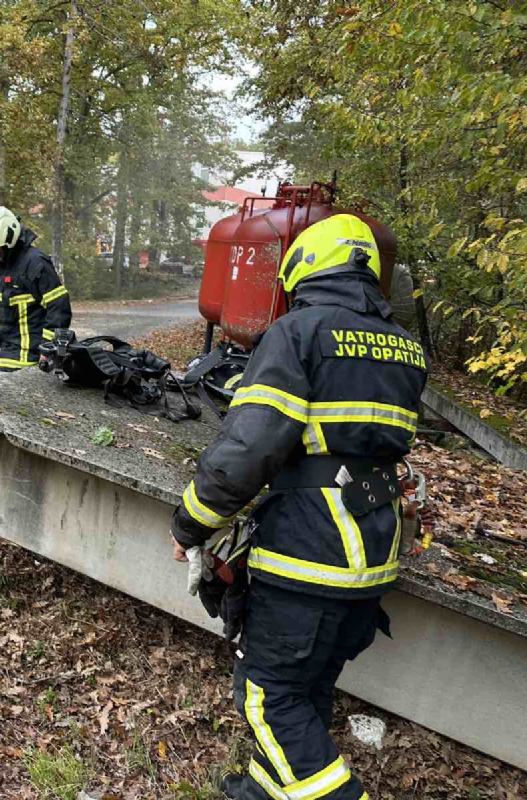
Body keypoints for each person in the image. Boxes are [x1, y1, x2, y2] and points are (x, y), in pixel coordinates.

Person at [169, 214, 427, 800]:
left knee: (267, 695)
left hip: (312, 552)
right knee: (308, 687)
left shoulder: (298, 333)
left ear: (305, 268)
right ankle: (263, 789)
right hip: (374, 550)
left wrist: (191, 521)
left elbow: (250, 447)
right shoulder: (405, 350)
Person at [0, 206, 72, 371]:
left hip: (33, 358)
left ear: (9, 241)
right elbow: (1, 305)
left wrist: (48, 347)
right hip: (8, 354)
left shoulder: (36, 263)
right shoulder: (5, 265)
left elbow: (59, 308)